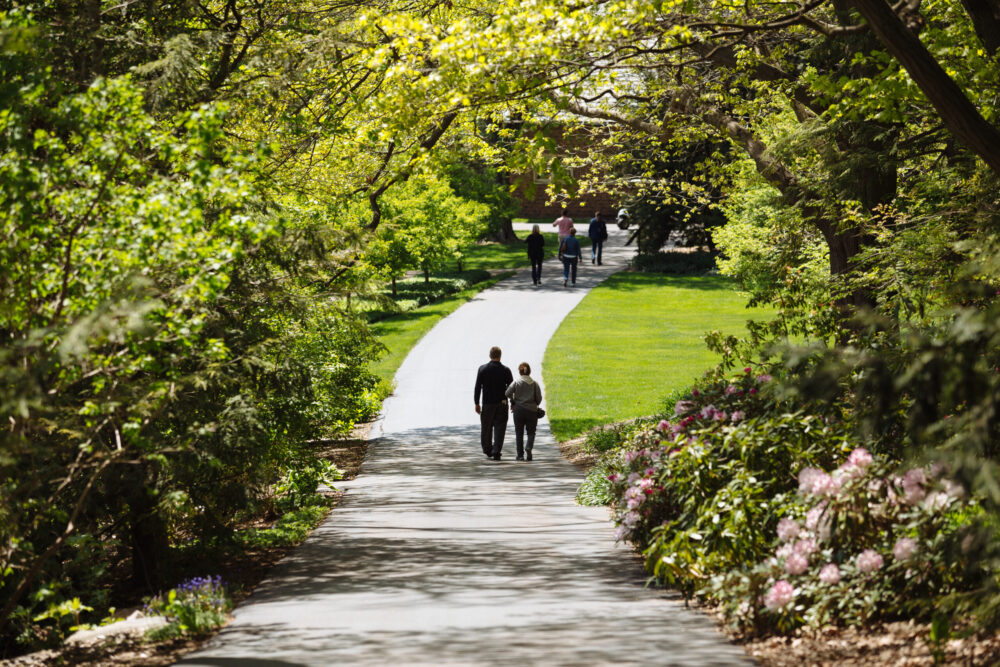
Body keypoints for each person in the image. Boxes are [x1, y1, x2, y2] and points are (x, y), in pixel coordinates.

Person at [474, 346, 514, 460]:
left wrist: (476, 403)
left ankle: (487, 449)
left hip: (487, 404)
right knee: (500, 428)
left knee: (486, 427)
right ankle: (496, 450)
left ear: (490, 355)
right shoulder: (506, 370)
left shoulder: (482, 369)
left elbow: (478, 387)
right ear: (500, 356)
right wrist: (513, 402)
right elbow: (511, 388)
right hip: (502, 403)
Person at [505, 362, 543, 461]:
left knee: (519, 433)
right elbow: (539, 398)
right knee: (531, 432)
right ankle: (529, 447)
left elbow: (507, 392)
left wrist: (514, 400)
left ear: (520, 371)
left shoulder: (516, 382)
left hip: (519, 410)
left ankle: (520, 455)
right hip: (532, 411)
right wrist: (534, 403)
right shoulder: (534, 384)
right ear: (529, 372)